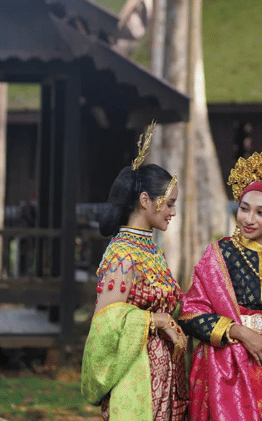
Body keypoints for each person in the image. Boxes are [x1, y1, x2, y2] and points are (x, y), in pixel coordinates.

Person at [179, 148, 262, 421]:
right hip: (229, 366)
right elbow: (190, 314)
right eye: (244, 209)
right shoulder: (220, 254)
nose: (249, 219)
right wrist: (241, 332)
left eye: (260, 213)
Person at [81, 122, 188, 420]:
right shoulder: (123, 255)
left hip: (162, 372)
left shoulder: (150, 249)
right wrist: (156, 320)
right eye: (169, 203)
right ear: (145, 201)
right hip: (134, 373)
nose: (173, 212)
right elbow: (106, 322)